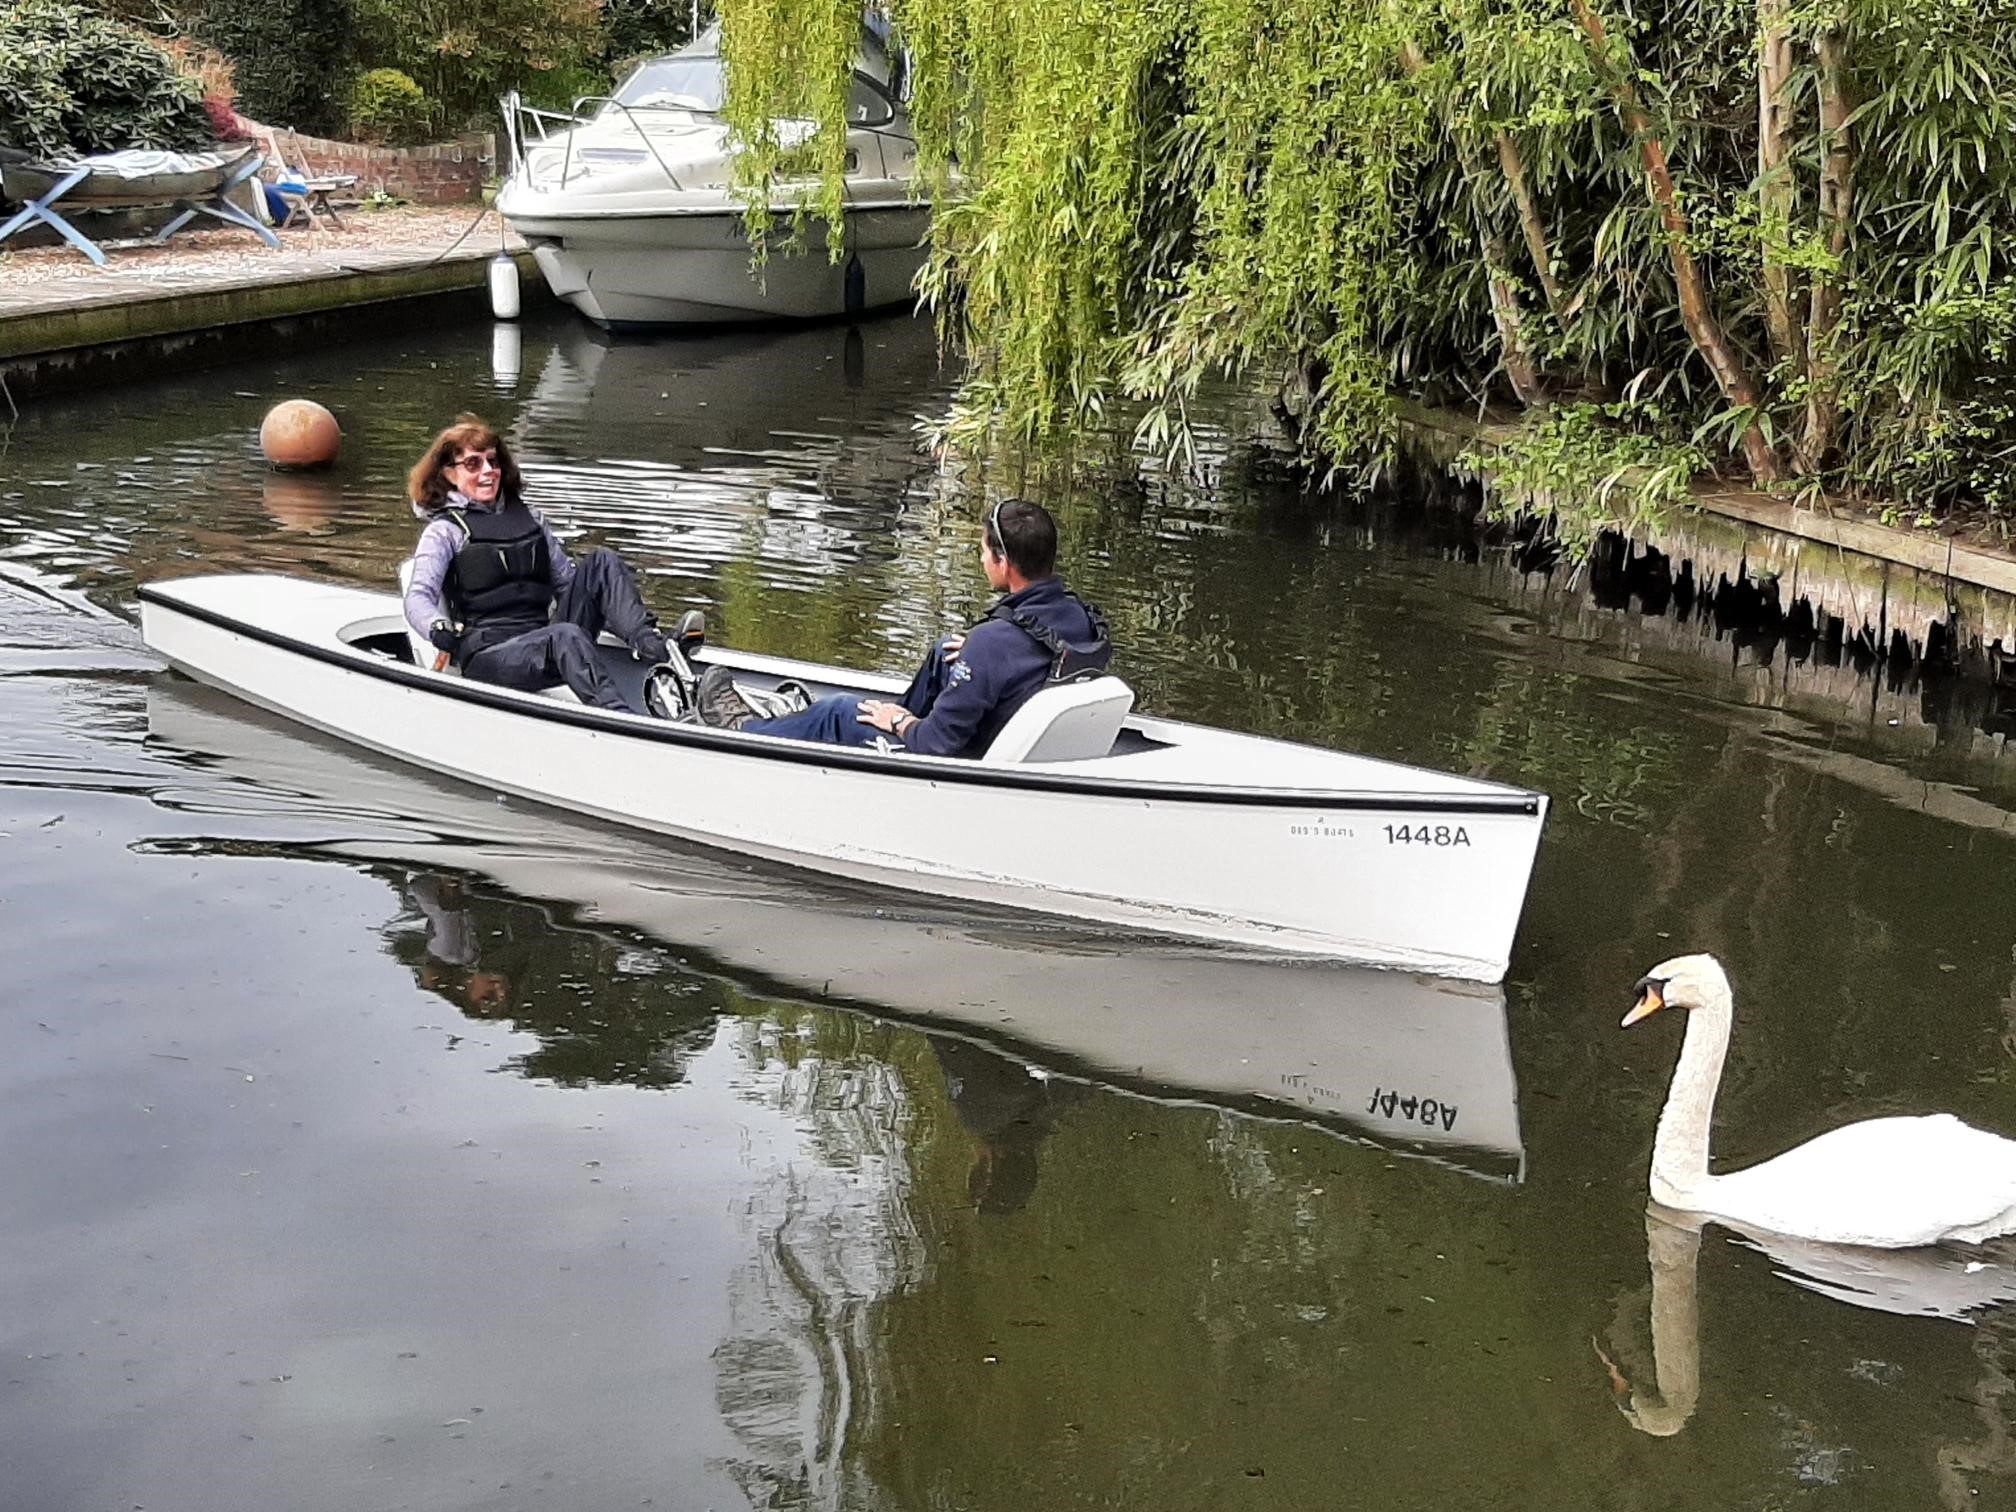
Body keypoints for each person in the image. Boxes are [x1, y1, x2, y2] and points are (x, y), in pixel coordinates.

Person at [693, 497, 1109, 758]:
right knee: (946, 648)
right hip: (1009, 724)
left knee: (837, 711)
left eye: (984, 552)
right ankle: (891, 717)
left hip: (954, 759)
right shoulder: (1079, 616)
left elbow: (935, 745)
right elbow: (1029, 656)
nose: (982, 561)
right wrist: (979, 657)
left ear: (1004, 563)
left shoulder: (991, 644)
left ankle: (742, 729)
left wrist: (898, 723)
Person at [402, 414, 679, 713]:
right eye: (473, 464)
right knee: (566, 636)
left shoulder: (532, 519)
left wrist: (616, 614)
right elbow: (419, 596)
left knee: (601, 561)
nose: (488, 471)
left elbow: (567, 585)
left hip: (541, 641)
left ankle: (653, 646)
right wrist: (436, 626)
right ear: (448, 474)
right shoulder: (444, 531)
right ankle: (620, 718)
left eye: (493, 461)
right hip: (487, 656)